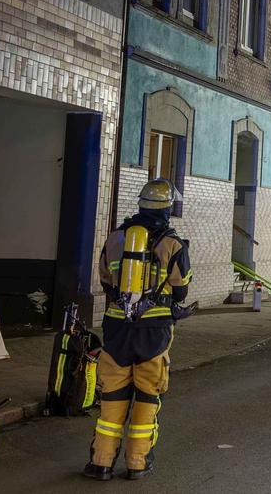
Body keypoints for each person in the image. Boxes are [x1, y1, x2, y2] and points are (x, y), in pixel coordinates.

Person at [83, 179, 192, 482]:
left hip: (117, 329)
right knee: (147, 396)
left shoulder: (117, 238)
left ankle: (101, 461)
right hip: (154, 333)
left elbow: (105, 279)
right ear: (168, 208)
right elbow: (181, 291)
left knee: (113, 395)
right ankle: (137, 462)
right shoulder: (173, 244)